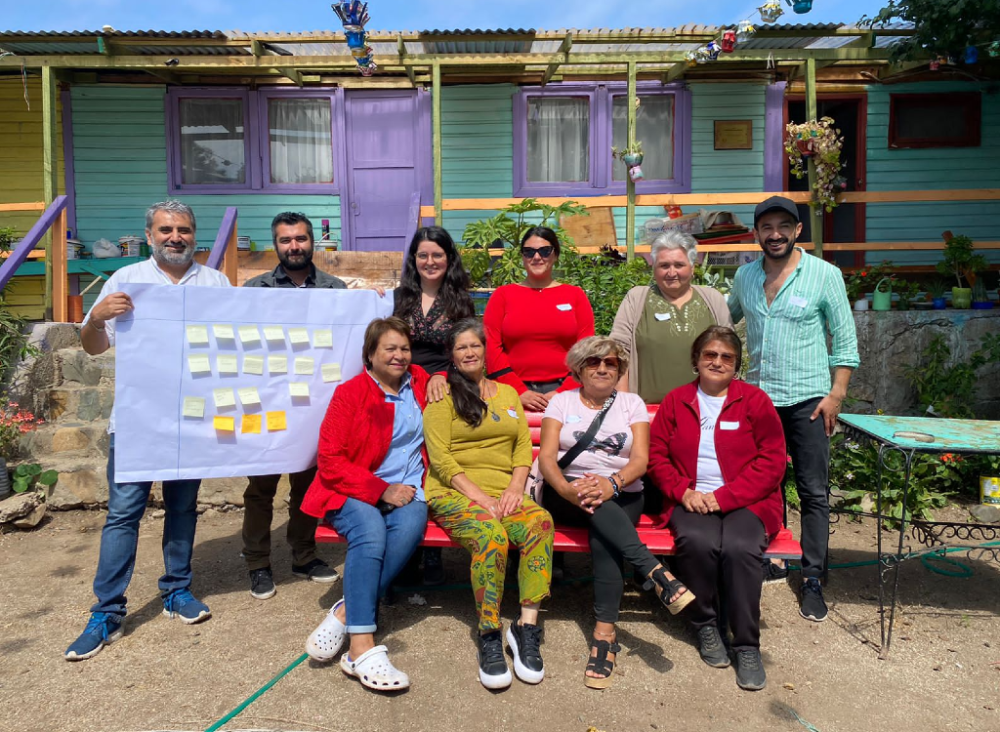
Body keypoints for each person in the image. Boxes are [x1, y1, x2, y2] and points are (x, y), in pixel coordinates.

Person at [65, 201, 231, 661]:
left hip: (192, 420)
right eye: (165, 230)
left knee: (183, 508)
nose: (175, 237)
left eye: (184, 229)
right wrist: (96, 318)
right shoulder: (126, 279)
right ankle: (107, 611)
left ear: (194, 234)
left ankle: (177, 590)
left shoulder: (215, 283)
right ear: (149, 235)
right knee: (123, 515)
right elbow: (93, 348)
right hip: (136, 421)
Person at [728, 196, 860, 622]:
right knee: (765, 483)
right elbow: (722, 320)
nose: (775, 234)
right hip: (759, 400)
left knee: (812, 490)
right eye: (767, 227)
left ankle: (813, 576)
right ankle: (775, 558)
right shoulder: (745, 276)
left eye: (784, 226)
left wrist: (836, 394)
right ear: (756, 233)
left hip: (809, 401)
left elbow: (845, 340)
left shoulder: (824, 274)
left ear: (797, 230)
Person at [538, 336, 693, 689]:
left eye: (611, 363)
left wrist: (613, 483)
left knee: (604, 533)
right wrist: (567, 489)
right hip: (567, 494)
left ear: (620, 370)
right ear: (579, 369)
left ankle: (605, 634)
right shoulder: (561, 401)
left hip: (622, 493)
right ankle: (654, 573)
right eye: (594, 362)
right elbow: (547, 457)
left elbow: (640, 459)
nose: (603, 368)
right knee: (599, 512)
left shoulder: (630, 403)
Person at [647, 326, 786, 691]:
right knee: (697, 542)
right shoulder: (677, 400)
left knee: (740, 547)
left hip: (749, 499)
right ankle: (706, 624)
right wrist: (683, 491)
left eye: (727, 357)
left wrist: (724, 497)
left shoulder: (755, 401)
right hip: (691, 498)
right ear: (696, 360)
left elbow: (772, 461)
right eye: (710, 354)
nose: (717, 362)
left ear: (736, 365)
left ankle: (746, 644)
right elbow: (656, 456)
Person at [300, 317, 430, 692]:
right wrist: (380, 490)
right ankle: (360, 646)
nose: (399, 355)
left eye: (405, 348)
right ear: (370, 354)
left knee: (412, 524)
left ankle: (344, 611)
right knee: (371, 531)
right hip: (352, 488)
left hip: (409, 489)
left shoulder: (419, 382)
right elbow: (329, 459)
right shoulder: (351, 393)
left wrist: (439, 376)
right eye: (389, 348)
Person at [423, 319, 554, 690]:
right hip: (454, 492)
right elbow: (441, 459)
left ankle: (526, 627)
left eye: (475, 346)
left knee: (540, 523)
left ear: (485, 351)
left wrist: (515, 487)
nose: (469, 353)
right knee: (490, 535)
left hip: (504, 490)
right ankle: (490, 632)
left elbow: (522, 447)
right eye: (461, 347)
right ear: (451, 355)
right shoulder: (443, 396)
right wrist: (481, 498)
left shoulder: (508, 394)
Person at [240, 212, 346, 600]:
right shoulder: (254, 290)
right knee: (260, 487)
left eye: (300, 238)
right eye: (286, 240)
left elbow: (347, 342)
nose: (294, 246)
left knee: (307, 484)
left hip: (314, 404)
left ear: (312, 242)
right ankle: (258, 563)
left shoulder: (336, 289)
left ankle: (303, 554)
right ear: (276, 245)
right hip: (267, 402)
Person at [392, 226, 475, 585]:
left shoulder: (461, 300)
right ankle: (405, 547)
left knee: (435, 459)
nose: (430, 261)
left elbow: (465, 348)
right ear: (414, 259)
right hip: (402, 384)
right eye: (423, 255)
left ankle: (433, 551)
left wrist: (441, 375)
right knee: (402, 459)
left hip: (443, 385)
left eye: (437, 255)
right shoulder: (398, 297)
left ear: (448, 258)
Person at [610, 230, 733, 405]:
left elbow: (729, 352)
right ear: (654, 268)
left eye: (679, 265)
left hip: (705, 409)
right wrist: (623, 403)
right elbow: (619, 352)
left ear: (692, 267)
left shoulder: (712, 298)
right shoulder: (637, 298)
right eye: (664, 265)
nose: (671, 272)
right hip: (647, 410)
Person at [483, 226, 595, 412]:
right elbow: (491, 347)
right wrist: (518, 391)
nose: (536, 257)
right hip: (513, 391)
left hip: (568, 392)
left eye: (545, 251)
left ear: (555, 255)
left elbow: (587, 348)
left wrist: (564, 391)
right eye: (529, 252)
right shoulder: (503, 296)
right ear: (522, 256)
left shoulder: (575, 295)